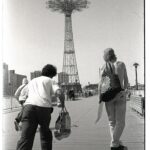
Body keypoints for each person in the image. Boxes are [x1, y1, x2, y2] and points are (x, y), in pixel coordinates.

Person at [16, 64, 65, 150]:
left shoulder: (32, 81)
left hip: (29, 108)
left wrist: (24, 105)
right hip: (44, 109)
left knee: (25, 138)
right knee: (45, 135)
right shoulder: (50, 80)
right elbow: (59, 93)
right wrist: (62, 104)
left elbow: (22, 95)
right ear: (52, 75)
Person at [95, 48, 129, 150]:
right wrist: (124, 91)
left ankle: (116, 143)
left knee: (112, 122)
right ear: (114, 55)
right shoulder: (121, 64)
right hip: (120, 95)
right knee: (121, 122)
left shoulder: (103, 67)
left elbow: (100, 84)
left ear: (105, 56)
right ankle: (114, 144)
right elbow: (126, 81)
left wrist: (100, 98)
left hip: (108, 97)